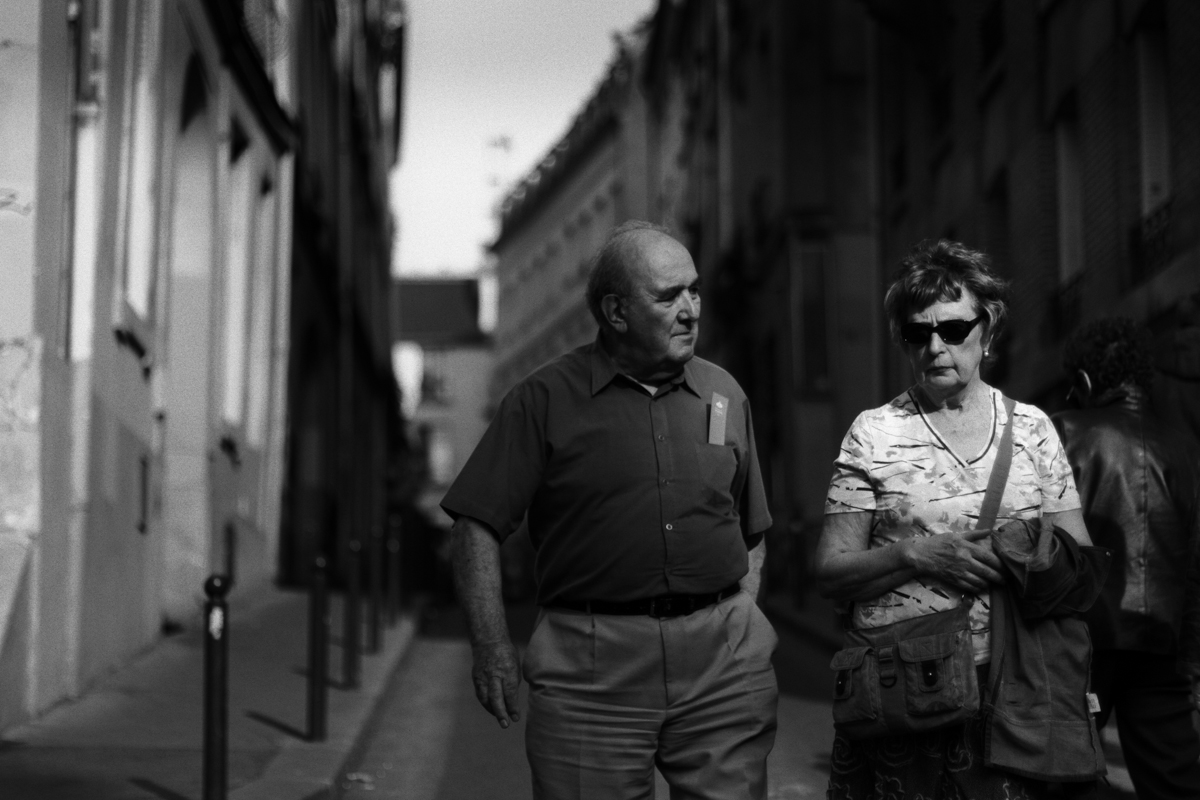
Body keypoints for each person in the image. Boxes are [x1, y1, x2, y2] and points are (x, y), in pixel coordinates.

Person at [441, 221, 778, 799]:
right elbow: (476, 525)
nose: (692, 310)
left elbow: (751, 530)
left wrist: (733, 621)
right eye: (669, 296)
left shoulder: (726, 393)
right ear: (616, 312)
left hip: (722, 663)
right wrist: (492, 644)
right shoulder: (542, 400)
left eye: (694, 290)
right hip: (591, 668)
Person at [815, 239, 1094, 799]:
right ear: (903, 340)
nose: (936, 346)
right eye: (919, 333)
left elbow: (1078, 564)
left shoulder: (1034, 429)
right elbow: (830, 571)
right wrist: (914, 554)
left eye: (953, 330)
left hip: (1011, 694)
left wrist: (1017, 550)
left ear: (986, 330)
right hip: (903, 695)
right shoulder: (873, 432)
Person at [1051, 317, 1200, 800]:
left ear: (1087, 381)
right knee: (1175, 780)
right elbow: (1197, 562)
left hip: (1082, 644)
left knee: (1068, 779)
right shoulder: (1186, 448)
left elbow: (1037, 546)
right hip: (1161, 640)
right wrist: (1190, 655)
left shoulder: (1063, 432)